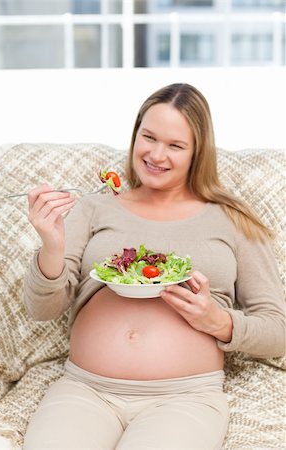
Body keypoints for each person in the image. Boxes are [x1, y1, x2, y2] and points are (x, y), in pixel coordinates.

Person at [23, 83, 285, 450]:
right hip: (85, 389)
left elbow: (278, 329)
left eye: (176, 146)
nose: (156, 155)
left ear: (198, 153)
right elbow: (41, 309)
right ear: (135, 135)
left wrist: (219, 322)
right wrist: (51, 244)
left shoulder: (232, 219)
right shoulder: (95, 208)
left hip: (185, 398)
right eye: (149, 137)